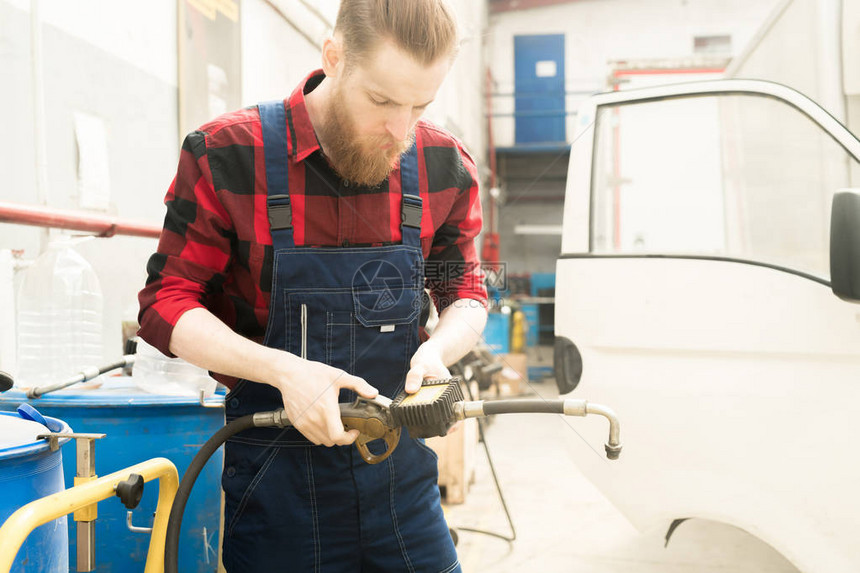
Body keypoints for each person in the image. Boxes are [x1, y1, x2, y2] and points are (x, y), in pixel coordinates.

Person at [137, 0, 488, 571]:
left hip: (403, 484)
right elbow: (166, 302)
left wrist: (439, 350)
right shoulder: (227, 154)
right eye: (381, 100)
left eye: (419, 104)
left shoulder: (443, 163)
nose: (400, 129)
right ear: (335, 57)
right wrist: (284, 371)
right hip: (276, 487)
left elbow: (467, 291)